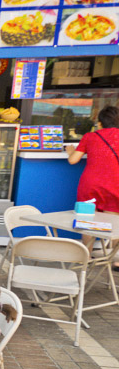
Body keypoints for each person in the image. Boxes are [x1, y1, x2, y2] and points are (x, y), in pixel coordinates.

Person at [66, 106, 119, 266]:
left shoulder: (90, 136)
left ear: (100, 123)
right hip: (116, 184)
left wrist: (70, 151)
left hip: (91, 184)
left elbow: (73, 160)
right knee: (115, 221)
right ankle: (114, 259)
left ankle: (87, 256)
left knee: (87, 219)